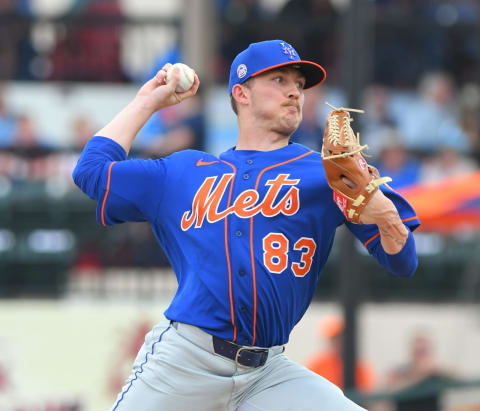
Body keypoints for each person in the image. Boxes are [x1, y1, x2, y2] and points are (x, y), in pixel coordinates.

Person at [73, 39, 420, 411]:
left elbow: (402, 262)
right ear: (241, 92)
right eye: (279, 79)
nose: (294, 92)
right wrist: (148, 102)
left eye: (300, 85)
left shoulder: (327, 173)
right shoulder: (183, 173)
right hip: (185, 363)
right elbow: (91, 172)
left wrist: (386, 217)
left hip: (268, 374)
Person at [305, 315, 375, 393]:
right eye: (335, 338)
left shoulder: (358, 364)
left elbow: (365, 391)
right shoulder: (318, 363)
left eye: (341, 337)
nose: (339, 341)